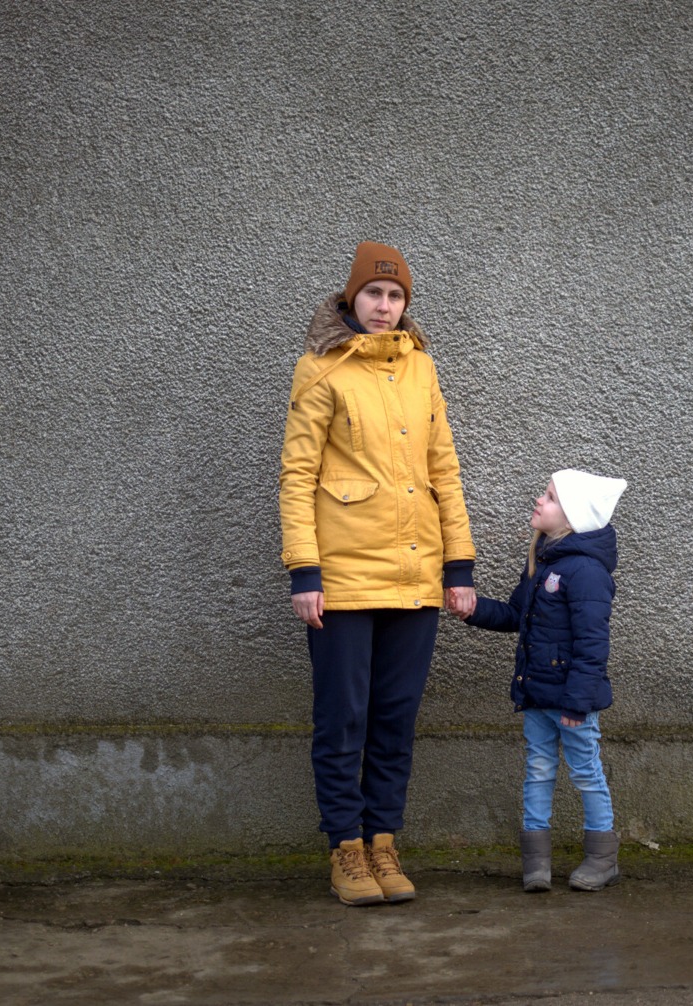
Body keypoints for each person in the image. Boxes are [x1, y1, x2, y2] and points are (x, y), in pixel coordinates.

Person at [279, 241, 478, 906]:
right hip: (338, 579)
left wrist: (459, 563)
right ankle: (346, 850)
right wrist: (303, 571)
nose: (386, 307)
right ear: (352, 298)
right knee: (345, 717)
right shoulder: (321, 369)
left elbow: (443, 469)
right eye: (374, 295)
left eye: (396, 298)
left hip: (416, 577)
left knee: (395, 717)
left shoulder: (421, 369)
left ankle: (384, 841)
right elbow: (297, 475)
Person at [457, 468, 627, 892]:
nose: (539, 500)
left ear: (572, 516)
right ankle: (536, 863)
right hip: (536, 695)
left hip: (571, 704)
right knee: (537, 772)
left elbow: (593, 644)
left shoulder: (585, 571)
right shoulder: (542, 560)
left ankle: (602, 859)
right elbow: (517, 615)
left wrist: (577, 702)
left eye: (549, 497)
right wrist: (472, 610)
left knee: (586, 772)